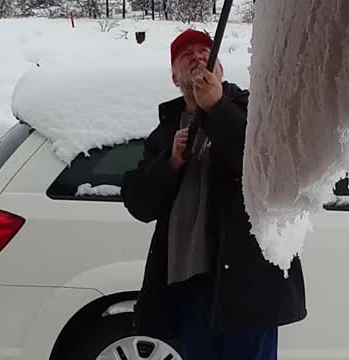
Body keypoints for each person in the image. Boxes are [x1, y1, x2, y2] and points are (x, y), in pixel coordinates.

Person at [121, 28, 307, 360]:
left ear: (219, 69)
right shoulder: (166, 129)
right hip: (190, 283)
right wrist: (171, 163)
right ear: (174, 75)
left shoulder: (255, 108)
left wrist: (218, 107)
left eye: (205, 51)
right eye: (185, 54)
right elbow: (138, 202)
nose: (197, 56)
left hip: (248, 283)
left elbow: (266, 168)